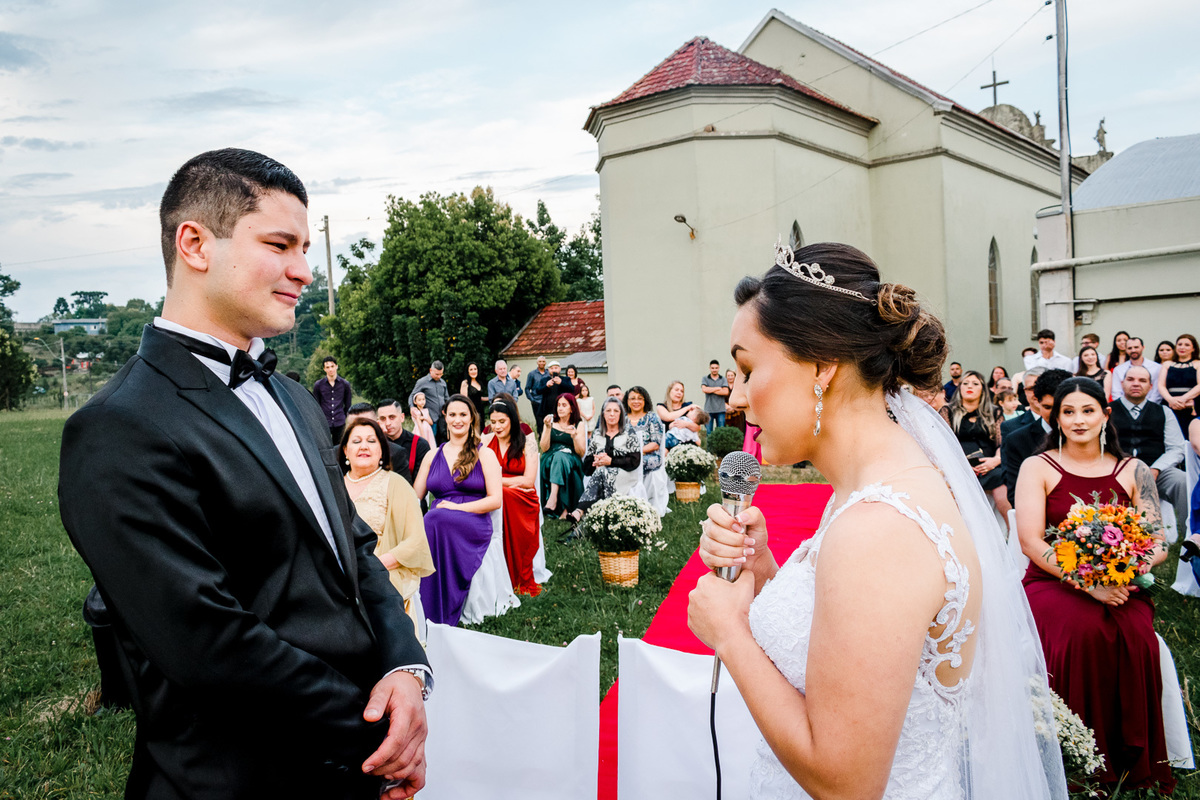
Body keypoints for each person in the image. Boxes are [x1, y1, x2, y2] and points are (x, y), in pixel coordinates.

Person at [58, 148, 429, 799]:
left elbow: (355, 546)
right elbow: (208, 643)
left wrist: (403, 666)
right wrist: (377, 739)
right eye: (281, 244)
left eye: (306, 248)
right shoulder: (116, 428)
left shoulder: (293, 398)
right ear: (195, 244)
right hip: (236, 779)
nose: (305, 270)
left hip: (352, 767)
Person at [689, 240, 1066, 800]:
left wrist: (731, 635)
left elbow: (844, 782)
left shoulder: (878, 529)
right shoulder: (876, 485)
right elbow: (852, 643)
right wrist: (764, 569)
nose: (737, 398)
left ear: (821, 366)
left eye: (747, 369)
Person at [1016, 377, 1173, 791]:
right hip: (1055, 582)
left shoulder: (1134, 469)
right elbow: (1031, 540)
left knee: (1137, 634)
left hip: (1123, 582)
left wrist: (1126, 568)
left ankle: (1132, 758)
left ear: (1106, 414)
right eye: (1068, 412)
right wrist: (1089, 584)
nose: (1078, 420)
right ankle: (1076, 759)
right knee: (1081, 633)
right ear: (1057, 418)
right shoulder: (1039, 466)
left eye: (1088, 410)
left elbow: (1158, 542)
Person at [340, 418, 435, 636]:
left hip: (382, 574)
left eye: (371, 441)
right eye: (356, 441)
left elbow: (415, 541)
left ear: (382, 450)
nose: (364, 446)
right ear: (345, 450)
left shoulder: (396, 484)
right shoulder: (331, 485)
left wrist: (370, 567)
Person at [413, 395, 502, 626]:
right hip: (438, 522)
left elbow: (495, 500)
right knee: (433, 520)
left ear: (472, 418)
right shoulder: (432, 455)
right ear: (445, 417)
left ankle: (440, 608)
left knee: (434, 518)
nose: (458, 420)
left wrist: (456, 507)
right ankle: (427, 607)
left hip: (473, 520)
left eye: (463, 414)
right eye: (452, 414)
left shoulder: (484, 453)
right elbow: (415, 497)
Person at [482, 397, 542, 597]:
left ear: (512, 421)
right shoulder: (486, 441)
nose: (497, 426)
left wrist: (496, 481)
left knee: (505, 495)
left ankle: (518, 576)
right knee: (500, 496)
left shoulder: (528, 442)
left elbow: (528, 480)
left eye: (502, 421)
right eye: (493, 422)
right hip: (497, 493)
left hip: (523, 498)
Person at [1111, 365, 1189, 515]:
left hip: (1157, 471)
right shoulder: (1107, 411)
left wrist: (1156, 469)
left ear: (1150, 386)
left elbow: (1176, 448)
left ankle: (1192, 534)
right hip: (1116, 470)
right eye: (1130, 379)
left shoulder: (1164, 412)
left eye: (1142, 380)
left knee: (1182, 481)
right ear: (1122, 383)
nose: (1136, 383)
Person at [940, 370, 1010, 516]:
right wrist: (961, 464)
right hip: (959, 467)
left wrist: (995, 461)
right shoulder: (948, 411)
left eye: (975, 383)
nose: (969, 386)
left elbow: (1001, 444)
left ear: (983, 389)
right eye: (965, 383)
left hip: (989, 467)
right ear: (959, 389)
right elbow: (943, 445)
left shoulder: (994, 412)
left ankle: (1013, 533)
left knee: (1001, 477)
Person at [567, 397, 644, 525]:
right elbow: (586, 468)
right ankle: (607, 516)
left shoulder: (628, 433)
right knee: (601, 472)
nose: (612, 414)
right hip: (601, 476)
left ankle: (580, 511)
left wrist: (611, 461)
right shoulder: (597, 434)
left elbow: (635, 461)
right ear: (603, 414)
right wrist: (595, 461)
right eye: (608, 411)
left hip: (626, 476)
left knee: (602, 472)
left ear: (621, 414)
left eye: (616, 411)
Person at [1001, 369, 1071, 508]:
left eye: (1063, 408)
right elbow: (1015, 494)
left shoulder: (1086, 434)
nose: (1054, 415)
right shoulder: (1017, 440)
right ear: (1037, 401)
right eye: (1048, 407)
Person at [539, 392, 586, 519]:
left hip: (571, 457)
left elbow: (581, 452)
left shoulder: (579, 424)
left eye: (564, 405)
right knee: (558, 458)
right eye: (559, 405)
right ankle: (563, 509)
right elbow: (544, 448)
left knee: (560, 458)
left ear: (572, 408)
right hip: (550, 457)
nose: (560, 408)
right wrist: (547, 428)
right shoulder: (550, 422)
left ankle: (553, 498)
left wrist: (575, 437)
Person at [377, 399, 431, 488]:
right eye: (383, 419)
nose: (387, 423)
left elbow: (421, 483)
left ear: (402, 417)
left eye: (392, 417)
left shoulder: (420, 444)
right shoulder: (375, 444)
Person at [1158, 333, 1200, 435]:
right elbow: (1161, 385)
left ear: (1193, 348)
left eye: (1187, 345)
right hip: (1170, 406)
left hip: (1191, 406)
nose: (1182, 347)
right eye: (1180, 344)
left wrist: (1182, 399)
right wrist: (1171, 400)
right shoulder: (1167, 364)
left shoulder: (1198, 364)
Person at [313, 355, 352, 444]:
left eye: (332, 366)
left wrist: (346, 418)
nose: (330, 369)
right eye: (327, 367)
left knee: (339, 446)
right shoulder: (318, 385)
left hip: (340, 421)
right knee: (325, 445)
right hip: (324, 421)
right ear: (324, 369)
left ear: (336, 366)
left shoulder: (345, 384)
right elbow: (316, 404)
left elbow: (348, 404)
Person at [1112, 337, 1163, 403]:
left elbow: (1156, 393)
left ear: (1143, 347)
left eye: (1136, 347)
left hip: (1151, 408)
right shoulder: (1118, 370)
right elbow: (1116, 393)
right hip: (1125, 408)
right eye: (1130, 348)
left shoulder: (1156, 368)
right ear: (1126, 350)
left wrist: (1146, 407)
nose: (1133, 350)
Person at [409, 361, 450, 443]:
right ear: (430, 370)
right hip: (430, 418)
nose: (439, 376)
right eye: (437, 374)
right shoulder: (422, 382)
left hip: (442, 418)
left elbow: (446, 398)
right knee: (431, 441)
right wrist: (412, 407)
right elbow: (412, 395)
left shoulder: (443, 383)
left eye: (441, 374)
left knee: (443, 441)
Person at [701, 359, 730, 431]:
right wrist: (718, 388)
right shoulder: (705, 378)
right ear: (710, 368)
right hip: (708, 409)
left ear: (719, 368)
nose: (714, 370)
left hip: (720, 409)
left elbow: (726, 392)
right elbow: (704, 390)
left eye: (716, 368)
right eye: (712, 368)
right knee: (709, 432)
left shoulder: (723, 379)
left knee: (721, 432)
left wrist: (710, 389)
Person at [525, 355, 550, 435]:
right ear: (537, 363)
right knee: (539, 422)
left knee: (548, 421)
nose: (542, 363)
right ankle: (540, 440)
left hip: (547, 401)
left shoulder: (548, 374)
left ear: (545, 362)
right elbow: (527, 388)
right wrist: (532, 400)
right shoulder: (532, 374)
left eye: (543, 361)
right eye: (540, 361)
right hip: (537, 401)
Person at [724, 368, 746, 432]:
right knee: (728, 429)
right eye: (728, 376)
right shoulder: (723, 386)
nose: (730, 377)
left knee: (740, 428)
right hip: (727, 411)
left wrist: (734, 406)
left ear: (735, 376)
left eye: (732, 375)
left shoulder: (738, 386)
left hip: (738, 411)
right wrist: (727, 406)